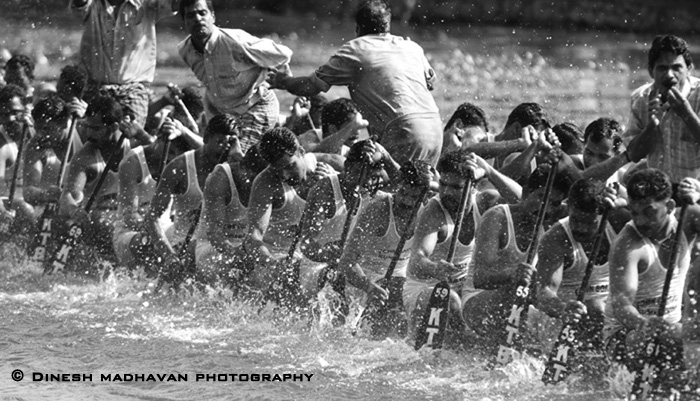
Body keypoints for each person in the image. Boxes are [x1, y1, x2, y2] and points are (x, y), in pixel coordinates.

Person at [269, 0, 443, 167]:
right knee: (419, 191)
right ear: (388, 25)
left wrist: (282, 80)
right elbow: (431, 83)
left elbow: (310, 86)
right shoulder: (411, 47)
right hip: (435, 128)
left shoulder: (355, 50)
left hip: (405, 131)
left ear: (358, 28)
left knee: (391, 193)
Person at [405, 150, 521, 340]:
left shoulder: (485, 202)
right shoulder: (434, 211)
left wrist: (489, 171)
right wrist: (435, 268)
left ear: (473, 186)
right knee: (450, 300)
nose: (446, 192)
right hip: (426, 287)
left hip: (463, 287)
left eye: (456, 187)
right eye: (442, 184)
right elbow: (416, 261)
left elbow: (523, 201)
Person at [605, 169, 700, 395]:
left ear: (669, 207)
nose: (639, 221)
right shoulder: (627, 245)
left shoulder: (690, 217)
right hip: (628, 334)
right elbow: (622, 304)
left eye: (648, 212)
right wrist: (643, 324)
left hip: (673, 329)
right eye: (634, 212)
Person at [462, 163, 574, 341]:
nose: (546, 209)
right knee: (517, 291)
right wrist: (512, 274)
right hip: (476, 302)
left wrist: (565, 311)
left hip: (518, 303)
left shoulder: (552, 228)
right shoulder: (497, 217)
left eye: (553, 203)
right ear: (527, 192)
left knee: (560, 309)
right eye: (540, 198)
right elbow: (480, 278)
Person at [178, 0, 292, 153]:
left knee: (238, 159)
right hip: (223, 113)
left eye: (202, 13)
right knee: (214, 156)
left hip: (256, 106)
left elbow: (282, 54)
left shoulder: (235, 42)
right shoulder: (185, 51)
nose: (198, 19)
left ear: (213, 16)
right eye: (191, 15)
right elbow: (212, 84)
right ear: (184, 22)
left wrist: (284, 79)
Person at [338, 160, 435, 337]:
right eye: (403, 192)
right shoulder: (378, 210)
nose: (405, 201)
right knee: (396, 287)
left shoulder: (429, 212)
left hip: (400, 280)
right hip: (365, 278)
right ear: (397, 186)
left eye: (414, 197)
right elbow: (346, 262)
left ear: (426, 196)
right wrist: (369, 287)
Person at [536, 179, 627, 358]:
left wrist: (623, 201)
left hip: (608, 315)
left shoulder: (619, 222)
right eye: (576, 219)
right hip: (565, 320)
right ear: (568, 207)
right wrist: (563, 309)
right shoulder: (555, 239)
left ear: (603, 215)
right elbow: (544, 292)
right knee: (596, 308)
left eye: (590, 222)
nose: (581, 228)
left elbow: (654, 212)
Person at [240, 127, 335, 294]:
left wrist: (335, 184)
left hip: (313, 257)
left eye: (290, 166)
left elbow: (386, 183)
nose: (285, 175)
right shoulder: (265, 183)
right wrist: (271, 263)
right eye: (278, 170)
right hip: (277, 256)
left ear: (301, 151)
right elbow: (253, 238)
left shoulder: (329, 166)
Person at [143, 114, 240, 278]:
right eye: (219, 142)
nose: (224, 148)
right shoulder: (179, 167)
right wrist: (169, 256)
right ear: (206, 138)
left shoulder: (235, 168)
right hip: (184, 242)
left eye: (229, 144)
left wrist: (238, 154)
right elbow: (152, 218)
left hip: (220, 243)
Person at [69, 0, 180, 127]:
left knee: (131, 139)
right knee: (92, 138)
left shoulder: (147, 4)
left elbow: (175, 4)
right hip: (96, 88)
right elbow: (79, 5)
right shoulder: (91, 5)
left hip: (133, 91)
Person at [58, 95, 131, 260]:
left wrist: (143, 135)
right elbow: (68, 195)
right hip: (99, 218)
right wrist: (75, 210)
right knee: (101, 220)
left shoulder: (132, 142)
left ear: (114, 127)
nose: (89, 133)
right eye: (87, 126)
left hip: (129, 212)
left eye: (95, 128)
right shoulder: (84, 158)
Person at [622, 35, 700, 184]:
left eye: (677, 68)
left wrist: (686, 113)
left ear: (688, 69)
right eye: (662, 68)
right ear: (651, 71)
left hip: (696, 189)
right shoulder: (641, 98)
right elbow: (634, 155)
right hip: (658, 190)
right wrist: (652, 125)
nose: (669, 75)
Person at [192, 144, 267, 284]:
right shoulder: (220, 177)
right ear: (246, 171)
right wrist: (239, 255)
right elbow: (215, 236)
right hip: (211, 247)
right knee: (237, 267)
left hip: (245, 249)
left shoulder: (268, 181)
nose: (262, 187)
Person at [297, 98, 368, 157]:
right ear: (332, 129)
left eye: (357, 127)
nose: (357, 132)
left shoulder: (348, 150)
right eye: (351, 127)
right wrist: (351, 127)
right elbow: (312, 152)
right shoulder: (309, 137)